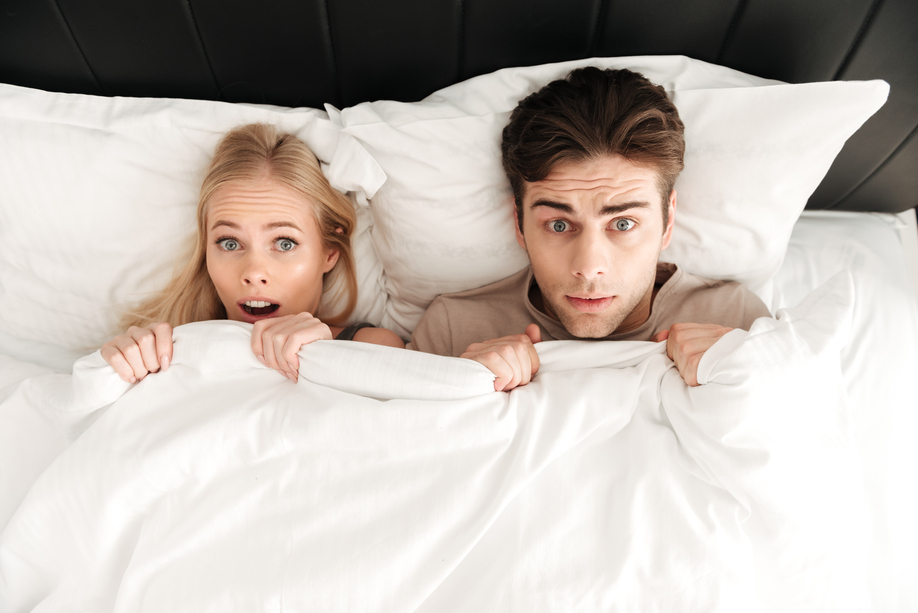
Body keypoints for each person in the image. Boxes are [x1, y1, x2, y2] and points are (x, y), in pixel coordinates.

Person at [408, 67, 771, 391]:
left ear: (667, 221)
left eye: (623, 223)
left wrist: (750, 373)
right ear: (519, 223)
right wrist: (458, 389)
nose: (589, 266)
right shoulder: (454, 328)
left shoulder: (736, 319)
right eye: (560, 224)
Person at [102, 123, 403, 384]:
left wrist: (327, 360)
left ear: (330, 253)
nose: (254, 272)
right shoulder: (163, 353)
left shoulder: (371, 347)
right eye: (230, 243)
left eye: (284, 243)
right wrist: (123, 368)